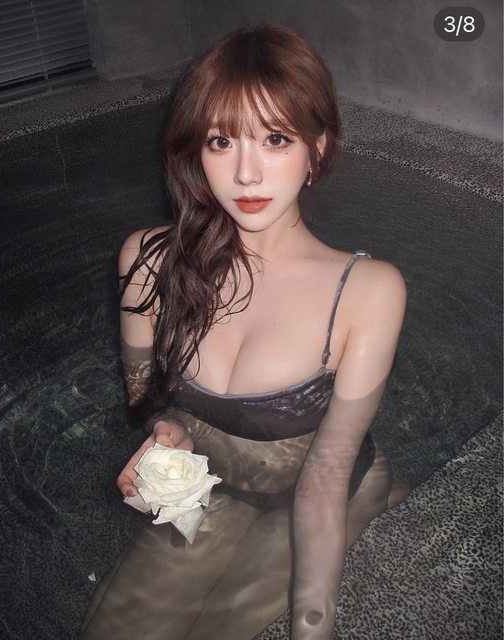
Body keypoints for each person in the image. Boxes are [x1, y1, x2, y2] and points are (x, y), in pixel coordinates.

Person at [80, 24, 407, 640]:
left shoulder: (367, 291)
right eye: (221, 141)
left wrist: (312, 624)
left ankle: (383, 497)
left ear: (317, 149)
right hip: (214, 485)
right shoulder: (147, 261)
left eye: (275, 139)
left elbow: (325, 475)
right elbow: (142, 386)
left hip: (326, 493)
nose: (246, 174)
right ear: (196, 151)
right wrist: (165, 427)